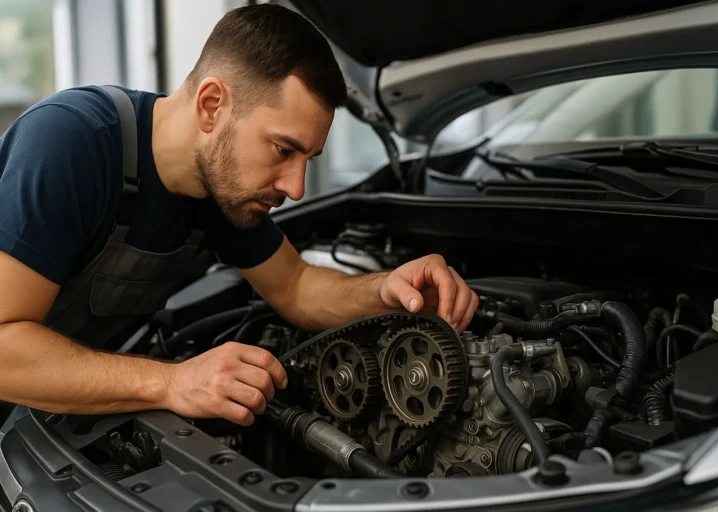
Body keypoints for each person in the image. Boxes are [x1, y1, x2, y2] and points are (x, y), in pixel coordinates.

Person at [0, 4, 478, 428]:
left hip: (53, 421)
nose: (295, 188)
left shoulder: (222, 190)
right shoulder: (70, 143)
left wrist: (388, 289)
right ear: (212, 106)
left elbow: (295, 287)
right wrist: (172, 382)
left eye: (307, 159)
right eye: (282, 149)